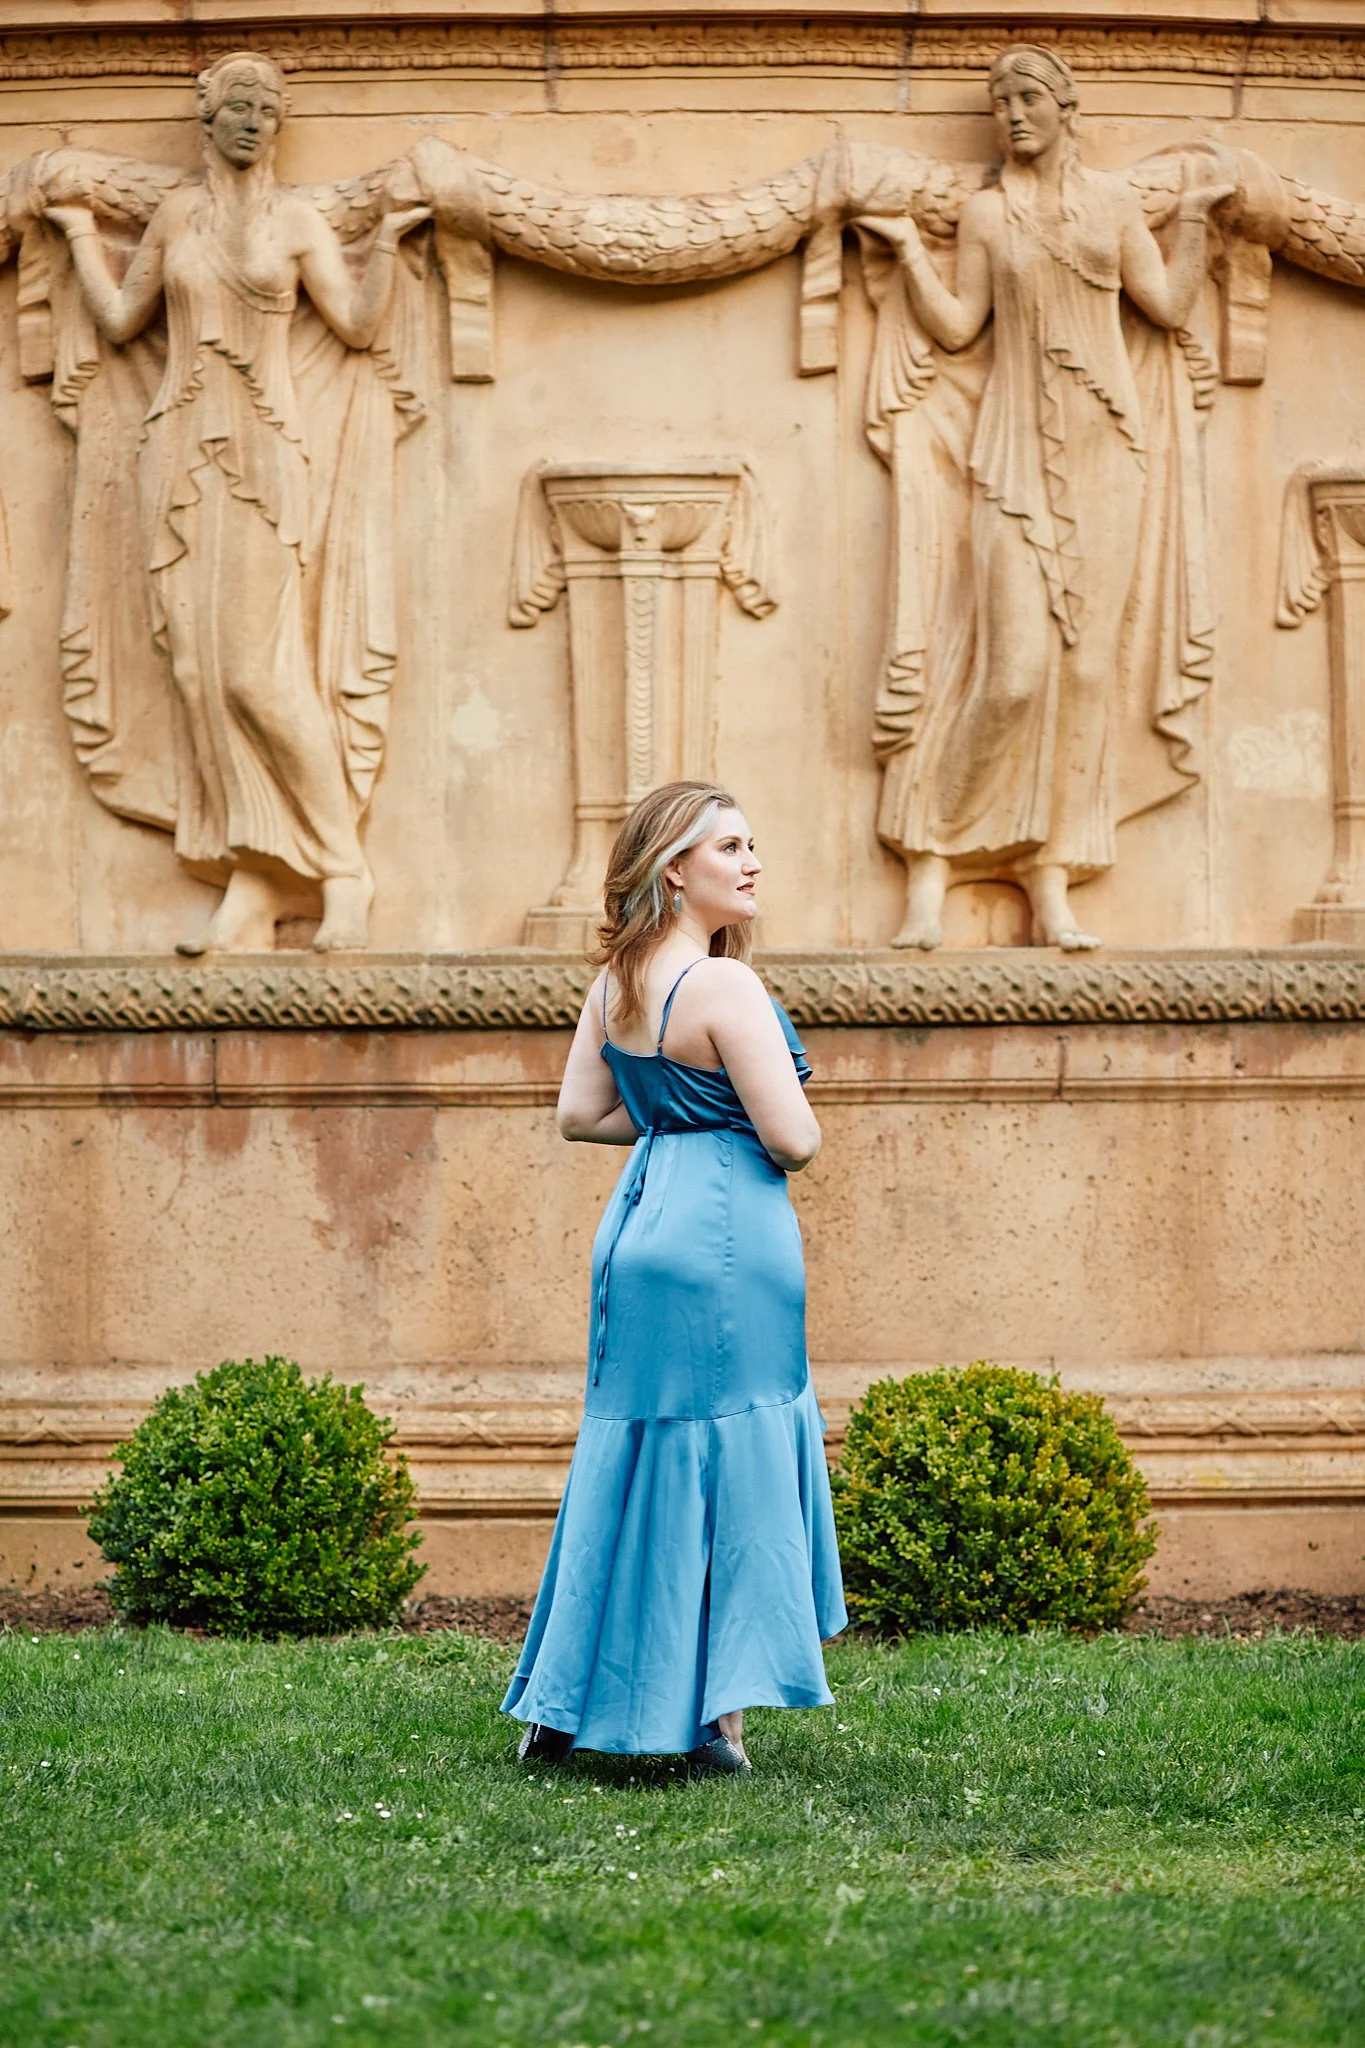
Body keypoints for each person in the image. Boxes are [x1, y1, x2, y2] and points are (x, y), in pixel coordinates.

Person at [42, 51, 430, 952]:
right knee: (196, 672)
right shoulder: (178, 215)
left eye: (270, 109)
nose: (258, 122)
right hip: (176, 451)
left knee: (258, 672)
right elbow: (120, 321)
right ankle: (252, 878)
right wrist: (72, 237)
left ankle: (343, 871)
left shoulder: (295, 220)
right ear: (207, 116)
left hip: (263, 453)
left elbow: (360, 327)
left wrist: (395, 243)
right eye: (241, 107)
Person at [502, 782, 847, 1772]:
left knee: (629, 1458)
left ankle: (562, 1707)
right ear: (674, 869)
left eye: (753, 842)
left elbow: (581, 1112)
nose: (751, 861)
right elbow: (795, 1137)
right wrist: (734, 1115)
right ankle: (714, 1722)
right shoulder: (726, 988)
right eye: (730, 845)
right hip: (727, 1239)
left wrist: (677, 1117)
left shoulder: (618, 981)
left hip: (642, 1221)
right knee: (730, 1461)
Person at [857, 45, 1233, 950]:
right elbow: (957, 327)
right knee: (1013, 673)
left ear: (1066, 106)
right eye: (998, 103)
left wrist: (1194, 225)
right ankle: (931, 862)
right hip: (1016, 456)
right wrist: (910, 249)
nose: (1011, 115)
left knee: (1090, 674)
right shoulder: (986, 215)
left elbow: (1169, 305)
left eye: (1026, 98)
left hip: (1110, 449)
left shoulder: (1109, 206)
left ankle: (1050, 874)